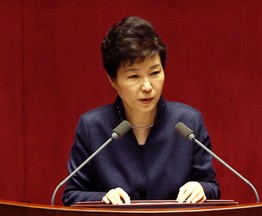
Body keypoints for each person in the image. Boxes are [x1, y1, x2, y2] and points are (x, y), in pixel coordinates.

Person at [62, 16, 220, 206]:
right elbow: (71, 195)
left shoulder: (188, 123)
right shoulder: (92, 127)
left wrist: (201, 188)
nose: (147, 86)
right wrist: (103, 198)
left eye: (155, 72)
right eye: (134, 76)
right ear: (113, 80)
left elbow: (211, 186)